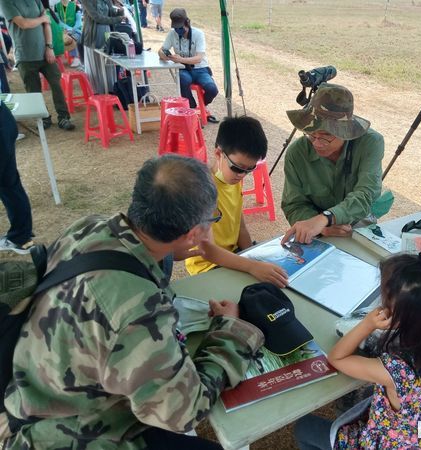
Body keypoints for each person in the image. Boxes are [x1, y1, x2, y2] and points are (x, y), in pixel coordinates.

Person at [1, 154, 265, 449]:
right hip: (63, 435)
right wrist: (231, 334)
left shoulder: (89, 227)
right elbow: (184, 412)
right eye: (211, 219)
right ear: (194, 234)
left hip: (30, 396)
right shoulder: (137, 312)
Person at [294, 237, 421, 449]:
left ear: (399, 316)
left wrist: (367, 324)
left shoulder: (395, 369)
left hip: (387, 444)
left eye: (383, 299)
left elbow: (337, 358)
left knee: (304, 427)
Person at [185, 116, 288, 287]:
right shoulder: (200, 189)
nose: (242, 175)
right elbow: (207, 250)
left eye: (250, 169)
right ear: (219, 154)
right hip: (208, 265)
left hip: (235, 255)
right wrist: (252, 266)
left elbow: (240, 227)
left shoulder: (232, 180)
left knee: (278, 278)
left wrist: (252, 256)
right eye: (237, 168)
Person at [281, 83, 384, 244]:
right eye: (311, 134)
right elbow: (294, 204)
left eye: (325, 136)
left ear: (346, 132)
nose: (317, 143)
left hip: (357, 226)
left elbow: (366, 194)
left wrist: (326, 218)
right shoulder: (297, 153)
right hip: (317, 233)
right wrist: (321, 227)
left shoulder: (370, 143)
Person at [0, 0, 75, 130]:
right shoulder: (6, 2)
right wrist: (42, 18)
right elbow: (23, 23)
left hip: (45, 52)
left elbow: (47, 24)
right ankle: (43, 117)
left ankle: (63, 117)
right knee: (33, 91)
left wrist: (49, 46)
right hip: (24, 55)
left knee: (56, 84)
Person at [158, 8, 219, 121]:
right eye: (175, 28)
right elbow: (161, 50)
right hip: (183, 69)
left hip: (201, 69)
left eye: (180, 28)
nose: (178, 31)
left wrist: (181, 59)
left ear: (187, 23)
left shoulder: (198, 34)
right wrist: (165, 55)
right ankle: (191, 110)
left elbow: (199, 58)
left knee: (212, 89)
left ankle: (199, 107)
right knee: (183, 80)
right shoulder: (172, 34)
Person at [0, 99, 34, 254]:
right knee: (9, 185)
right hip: (3, 120)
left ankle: (21, 237)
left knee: (9, 184)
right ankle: (21, 238)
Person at [80, 0, 124, 93]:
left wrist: (120, 10)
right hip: (93, 35)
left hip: (107, 33)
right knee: (96, 64)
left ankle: (110, 89)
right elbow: (97, 17)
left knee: (107, 62)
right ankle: (97, 92)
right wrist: (117, 19)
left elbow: (111, 14)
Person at [54, 0, 83, 68]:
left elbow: (79, 23)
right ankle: (57, 58)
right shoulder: (56, 6)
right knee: (56, 38)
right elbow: (58, 21)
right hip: (62, 31)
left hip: (75, 30)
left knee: (73, 38)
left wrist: (72, 29)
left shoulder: (75, 6)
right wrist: (67, 28)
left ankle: (76, 58)